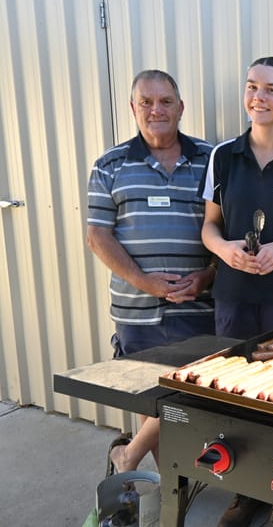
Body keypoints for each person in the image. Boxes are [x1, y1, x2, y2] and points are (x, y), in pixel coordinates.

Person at [200, 56, 273, 527]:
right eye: (252, 87)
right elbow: (209, 227)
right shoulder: (223, 156)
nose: (258, 97)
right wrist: (225, 249)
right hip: (233, 294)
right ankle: (243, 490)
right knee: (236, 393)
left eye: (271, 89)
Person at [86, 70, 216, 475]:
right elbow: (98, 236)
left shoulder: (212, 161)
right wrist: (147, 283)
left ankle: (130, 457)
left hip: (200, 308)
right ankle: (168, 487)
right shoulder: (110, 165)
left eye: (165, 101)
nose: (156, 109)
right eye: (146, 101)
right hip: (137, 312)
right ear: (133, 108)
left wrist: (207, 276)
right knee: (151, 401)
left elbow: (226, 230)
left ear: (181, 107)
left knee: (191, 399)